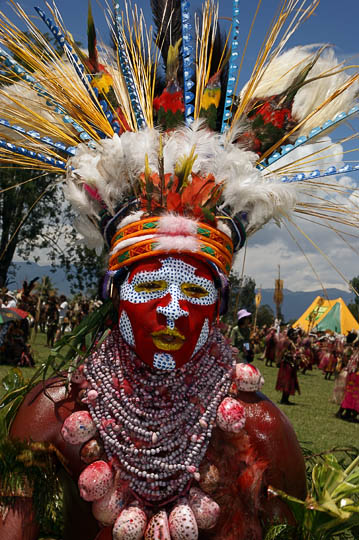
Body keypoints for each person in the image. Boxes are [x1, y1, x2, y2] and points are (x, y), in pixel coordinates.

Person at [0, 1, 358, 538]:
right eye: (149, 284)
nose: (172, 307)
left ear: (216, 303)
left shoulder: (260, 432)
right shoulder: (53, 418)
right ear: (114, 291)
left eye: (193, 288)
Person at [275, 328, 301, 405]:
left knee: (290, 381)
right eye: (295, 334)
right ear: (291, 335)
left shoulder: (292, 342)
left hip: (290, 364)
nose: (296, 336)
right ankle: (284, 399)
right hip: (287, 364)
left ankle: (286, 399)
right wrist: (293, 356)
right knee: (287, 381)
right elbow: (284, 352)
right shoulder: (288, 342)